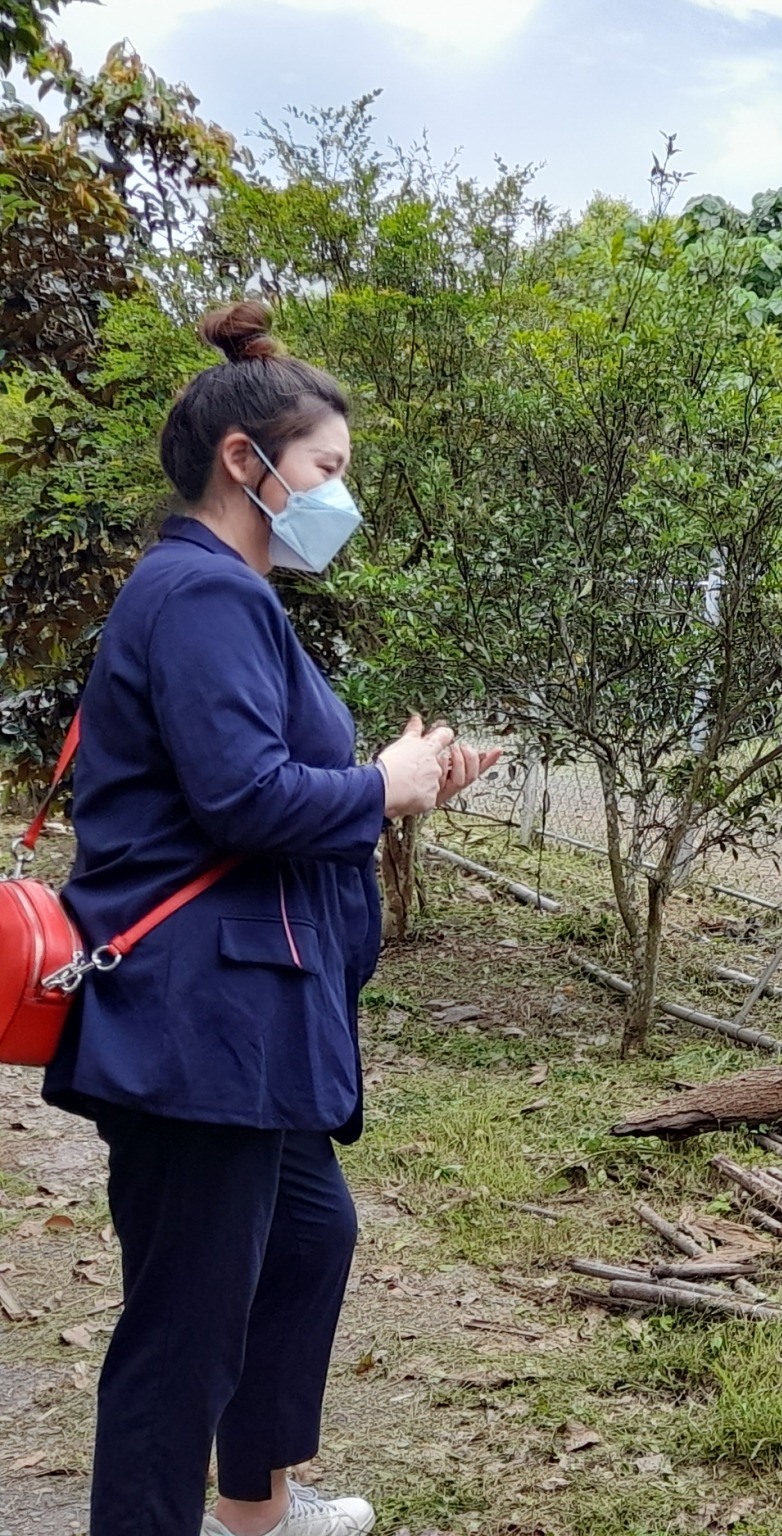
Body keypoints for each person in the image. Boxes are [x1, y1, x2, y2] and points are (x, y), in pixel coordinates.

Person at [41, 301, 500, 1536]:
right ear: (249, 463)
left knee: (307, 1239)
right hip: (201, 1023)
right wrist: (377, 787)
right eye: (328, 469)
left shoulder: (231, 599)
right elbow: (242, 797)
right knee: (183, 1323)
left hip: (255, 1018)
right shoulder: (199, 593)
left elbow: (260, 783)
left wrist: (392, 782)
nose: (340, 496)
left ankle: (256, 1504)